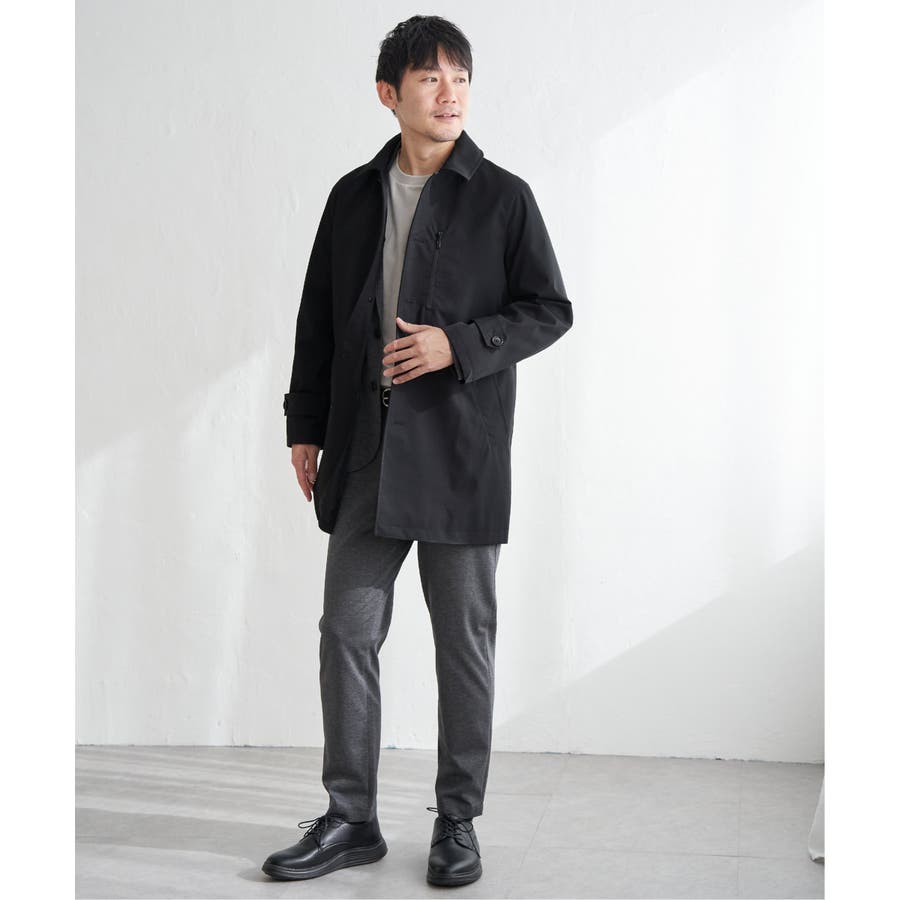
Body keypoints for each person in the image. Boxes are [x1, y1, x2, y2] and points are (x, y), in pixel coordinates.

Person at [262, 14, 572, 888]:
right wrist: (304, 424)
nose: (450, 94)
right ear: (388, 93)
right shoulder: (352, 198)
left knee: (462, 642)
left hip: (459, 454)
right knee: (346, 631)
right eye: (431, 78)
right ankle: (350, 818)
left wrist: (457, 345)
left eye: (460, 78)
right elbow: (318, 319)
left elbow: (549, 310)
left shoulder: (503, 197)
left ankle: (457, 821)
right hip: (366, 449)